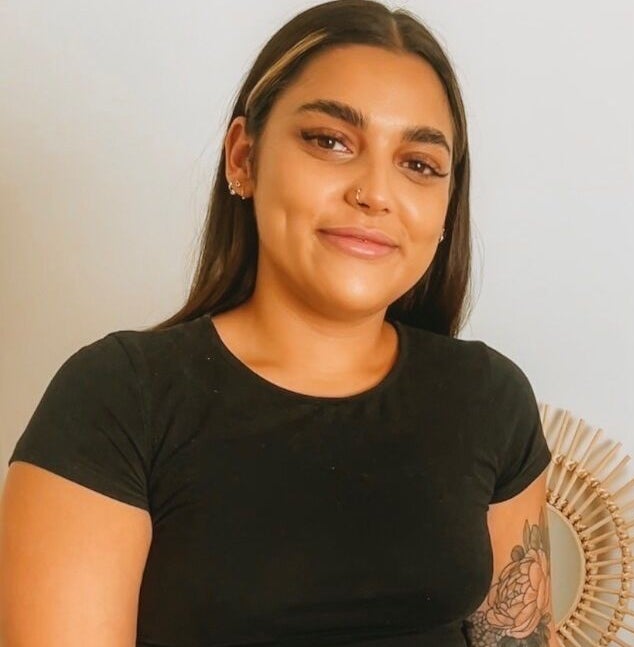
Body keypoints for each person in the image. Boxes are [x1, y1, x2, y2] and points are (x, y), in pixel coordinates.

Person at [0, 2, 554, 645]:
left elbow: (519, 634)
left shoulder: (489, 398)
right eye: (330, 141)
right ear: (243, 157)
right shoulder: (120, 400)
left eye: (419, 164)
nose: (375, 192)